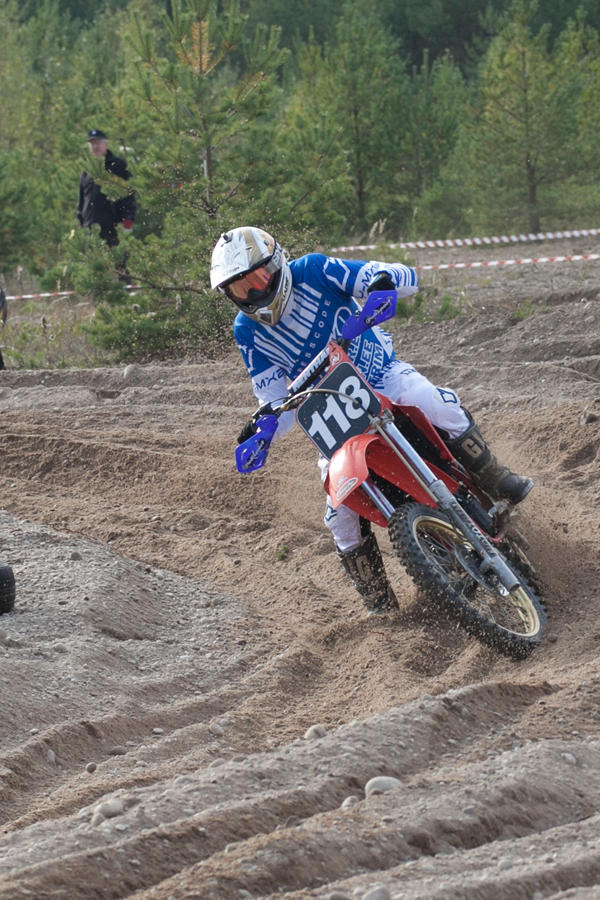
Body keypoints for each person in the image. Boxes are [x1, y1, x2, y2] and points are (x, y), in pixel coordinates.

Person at [210, 227, 533, 615]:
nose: (254, 293)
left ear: (276, 263)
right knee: (339, 517)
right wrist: (263, 432)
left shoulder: (314, 270)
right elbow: (274, 400)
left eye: (258, 279)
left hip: (382, 377)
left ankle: (494, 476)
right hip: (332, 422)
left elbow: (404, 277)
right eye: (240, 289)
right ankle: (378, 600)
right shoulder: (247, 331)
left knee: (432, 402)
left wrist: (383, 282)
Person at [76, 129, 136, 250]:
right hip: (90, 228)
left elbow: (129, 195)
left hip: (113, 227)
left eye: (98, 143)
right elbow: (82, 198)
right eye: (92, 144)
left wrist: (128, 219)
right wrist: (80, 220)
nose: (95, 147)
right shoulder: (87, 169)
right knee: (92, 261)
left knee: (118, 260)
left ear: (106, 144)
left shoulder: (118, 166)